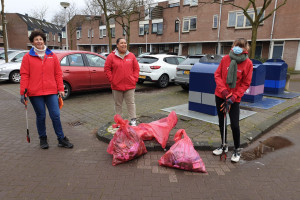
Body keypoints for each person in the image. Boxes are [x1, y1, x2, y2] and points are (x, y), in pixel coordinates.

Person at [20, 30, 73, 149]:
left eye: (41, 39)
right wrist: (23, 92)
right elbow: (24, 75)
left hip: (51, 91)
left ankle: (61, 139)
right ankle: (43, 139)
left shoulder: (52, 55)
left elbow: (58, 74)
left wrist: (60, 89)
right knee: (41, 116)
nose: (39, 41)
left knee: (55, 115)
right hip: (35, 92)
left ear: (44, 40)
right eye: (36, 39)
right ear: (32, 42)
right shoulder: (27, 57)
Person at [213, 38, 253, 162]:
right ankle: (223, 145)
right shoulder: (225, 59)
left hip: (234, 99)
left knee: (235, 124)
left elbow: (246, 83)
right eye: (237, 45)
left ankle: (236, 149)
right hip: (221, 95)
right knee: (222, 121)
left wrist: (234, 96)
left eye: (241, 46)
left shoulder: (248, 63)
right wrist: (224, 91)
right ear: (233, 46)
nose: (238, 48)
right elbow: (217, 75)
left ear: (246, 48)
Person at [104, 38, 139, 126]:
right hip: (116, 86)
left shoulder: (131, 56)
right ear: (117, 45)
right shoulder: (111, 56)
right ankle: (119, 121)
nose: (124, 45)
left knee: (131, 103)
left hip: (130, 85)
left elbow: (136, 69)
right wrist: (112, 80)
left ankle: (133, 120)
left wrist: (134, 79)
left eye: (125, 43)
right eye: (121, 43)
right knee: (118, 105)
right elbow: (107, 69)